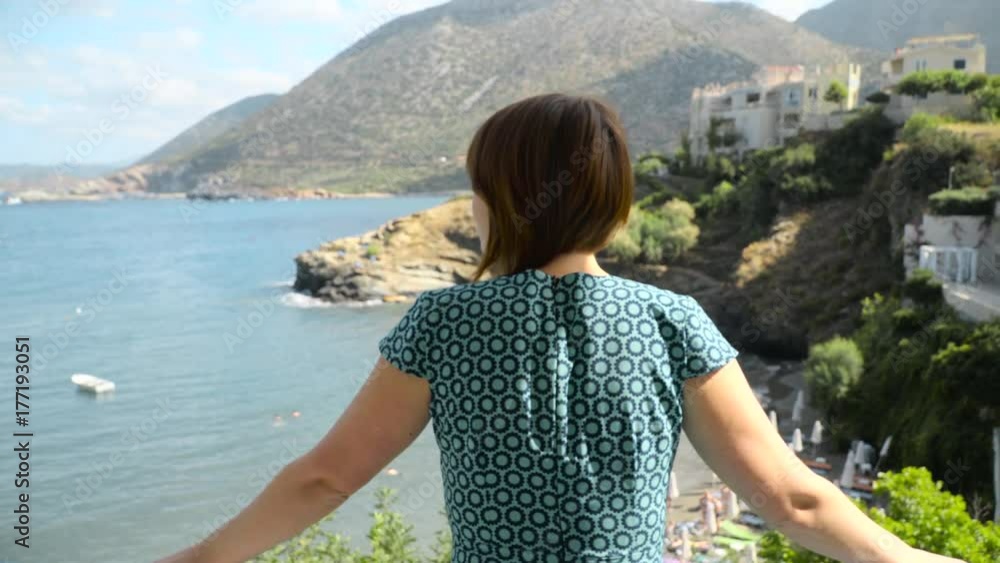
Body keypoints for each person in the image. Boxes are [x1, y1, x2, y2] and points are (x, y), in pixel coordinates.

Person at [156, 94, 963, 563]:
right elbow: (791, 498)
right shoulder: (673, 321)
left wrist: (201, 557)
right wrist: (910, 556)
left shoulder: (444, 323)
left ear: (499, 201)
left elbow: (325, 480)